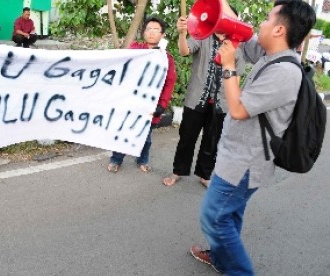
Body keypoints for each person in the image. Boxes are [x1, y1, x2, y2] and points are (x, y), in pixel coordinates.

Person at [189, 0, 316, 274]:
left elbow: (237, 109)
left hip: (245, 163)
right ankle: (222, 257)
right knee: (230, 214)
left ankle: (239, 270)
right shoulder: (271, 54)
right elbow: (242, 33)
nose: (261, 23)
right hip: (237, 155)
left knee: (214, 218)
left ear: (280, 29)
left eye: (268, 19)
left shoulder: (284, 71)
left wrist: (229, 65)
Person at [162, 10, 245, 188]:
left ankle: (205, 174)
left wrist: (233, 102)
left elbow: (236, 77)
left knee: (212, 140)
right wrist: (182, 34)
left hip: (221, 103)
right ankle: (178, 171)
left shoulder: (236, 45)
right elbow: (185, 51)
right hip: (196, 99)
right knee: (187, 137)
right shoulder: (203, 36)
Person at [107, 16, 177, 173]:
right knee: (123, 131)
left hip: (150, 106)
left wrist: (162, 105)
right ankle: (116, 159)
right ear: (144, 32)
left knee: (145, 137)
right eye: (148, 29)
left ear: (163, 34)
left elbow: (169, 82)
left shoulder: (167, 59)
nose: (151, 33)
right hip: (130, 103)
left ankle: (142, 159)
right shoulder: (135, 50)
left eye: (156, 30)